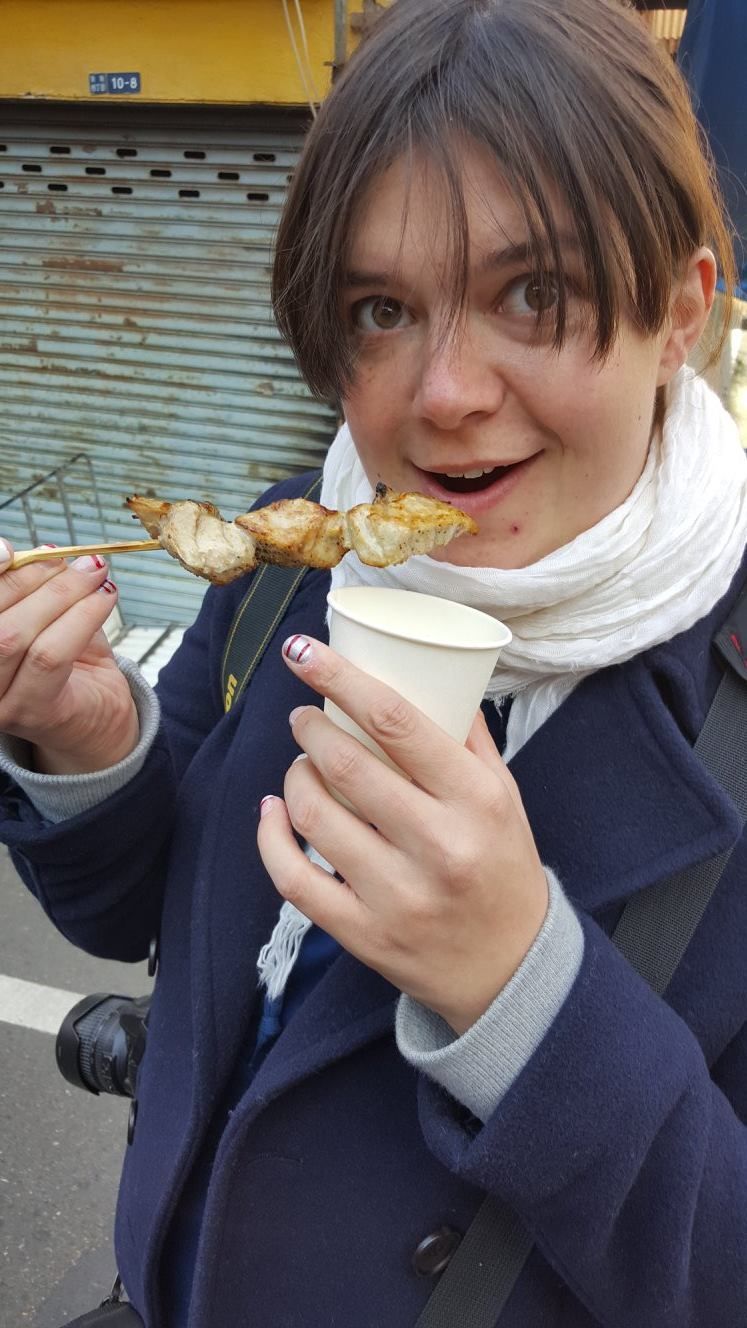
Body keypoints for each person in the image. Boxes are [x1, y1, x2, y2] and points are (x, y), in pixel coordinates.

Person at [1, 1, 745, 1324]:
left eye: (535, 292)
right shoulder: (304, 544)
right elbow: (143, 913)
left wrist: (527, 996)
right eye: (382, 309)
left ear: (682, 311)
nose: (444, 392)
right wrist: (90, 739)